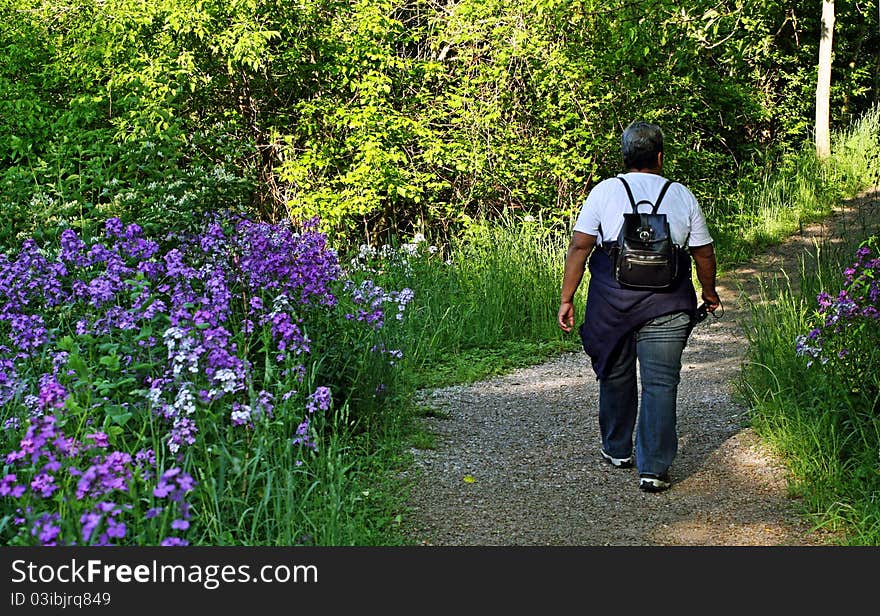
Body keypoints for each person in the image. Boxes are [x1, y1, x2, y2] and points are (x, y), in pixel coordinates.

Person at [557, 121, 720, 493]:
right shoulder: (681, 195)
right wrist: (708, 293)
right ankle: (654, 468)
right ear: (660, 158)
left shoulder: (604, 192)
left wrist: (567, 298)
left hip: (611, 305)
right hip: (668, 303)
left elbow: (580, 246)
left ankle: (617, 449)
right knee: (661, 384)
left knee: (614, 373)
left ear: (625, 157)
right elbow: (703, 252)